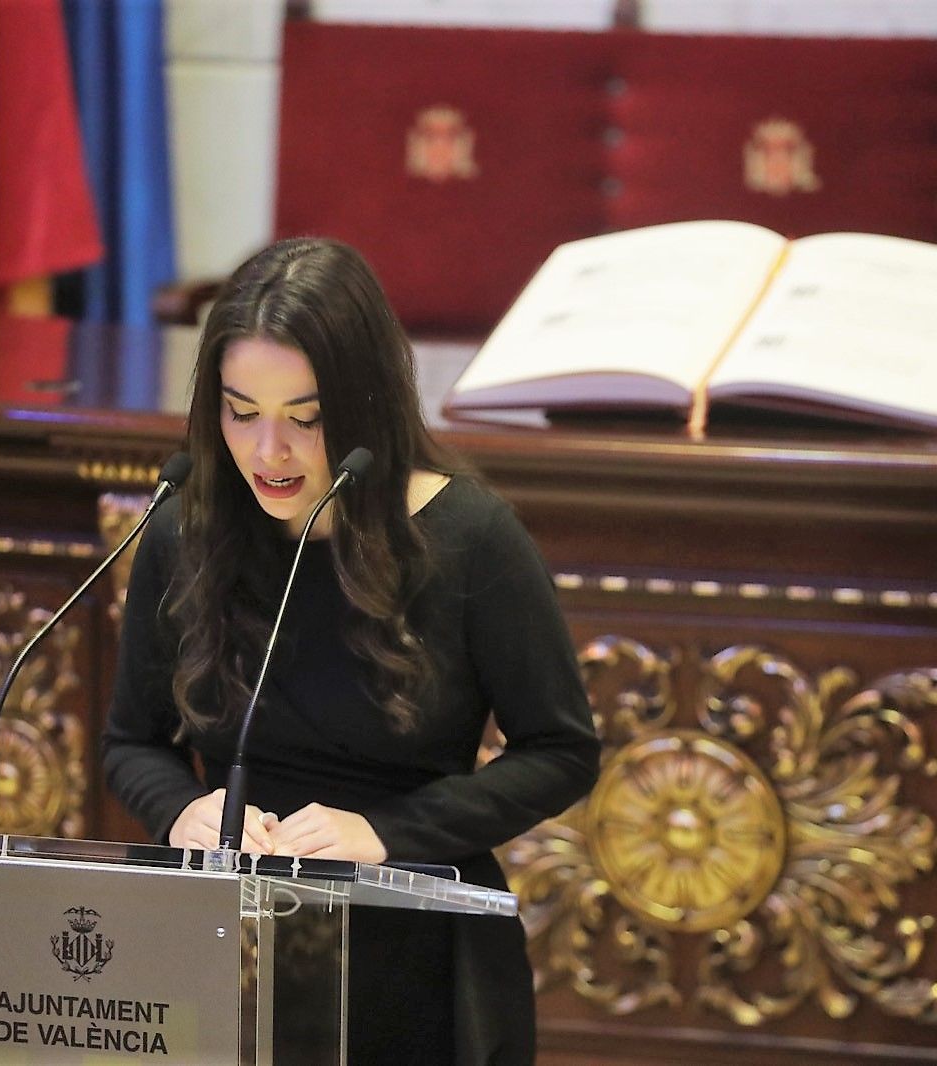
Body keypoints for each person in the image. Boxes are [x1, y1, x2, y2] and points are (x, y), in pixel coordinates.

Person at [101, 237, 601, 1065]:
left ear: (365, 405)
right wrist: (179, 810)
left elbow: (562, 752)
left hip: (414, 950)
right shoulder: (186, 531)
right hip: (230, 948)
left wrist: (385, 830)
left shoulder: (470, 539)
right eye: (240, 412)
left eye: (305, 419)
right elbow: (132, 742)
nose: (269, 453)